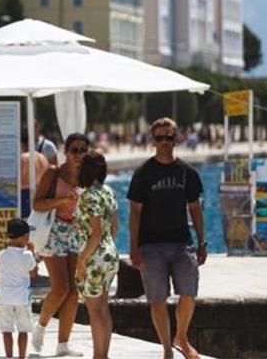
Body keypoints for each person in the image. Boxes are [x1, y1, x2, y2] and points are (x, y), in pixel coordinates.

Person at [128, 117, 206, 359]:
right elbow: (135, 213)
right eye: (160, 138)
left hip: (182, 243)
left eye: (169, 138)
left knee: (189, 293)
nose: (164, 142)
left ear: (176, 139)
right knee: (157, 298)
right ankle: (166, 350)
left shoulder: (187, 173)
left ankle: (181, 336)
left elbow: (195, 209)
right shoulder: (143, 173)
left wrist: (202, 242)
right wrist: (133, 247)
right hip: (151, 246)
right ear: (153, 141)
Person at [30, 133, 88, 357]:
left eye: (83, 150)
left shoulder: (87, 175)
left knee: (74, 292)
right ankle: (41, 326)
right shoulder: (54, 172)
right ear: (66, 151)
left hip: (76, 232)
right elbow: (37, 204)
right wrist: (62, 201)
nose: (79, 154)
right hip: (53, 231)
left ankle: (63, 344)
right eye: (75, 150)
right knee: (61, 287)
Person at [75, 151, 118, 359]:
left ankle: (98, 356)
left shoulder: (88, 196)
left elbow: (96, 232)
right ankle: (104, 355)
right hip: (110, 254)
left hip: (94, 256)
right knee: (103, 307)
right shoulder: (108, 191)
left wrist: (82, 259)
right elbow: (114, 228)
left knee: (94, 310)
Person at [0, 218, 37, 359]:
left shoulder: (2, 254)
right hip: (21, 298)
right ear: (26, 236)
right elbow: (33, 273)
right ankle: (21, 356)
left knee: (6, 330)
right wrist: (32, 251)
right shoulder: (27, 255)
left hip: (4, 297)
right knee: (23, 330)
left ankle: (9, 356)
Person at [20, 130, 50, 218]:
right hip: (40, 193)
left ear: (22, 144)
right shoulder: (42, 158)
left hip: (25, 195)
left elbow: (20, 178)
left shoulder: (23, 158)